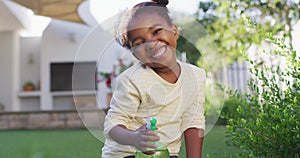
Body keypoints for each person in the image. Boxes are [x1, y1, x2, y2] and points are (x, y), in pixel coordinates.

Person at [101, 0, 206, 157]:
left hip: (165, 154)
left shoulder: (195, 76)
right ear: (134, 54)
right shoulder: (132, 80)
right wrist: (134, 137)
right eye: (139, 43)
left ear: (175, 31)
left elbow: (193, 122)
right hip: (125, 154)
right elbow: (112, 125)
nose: (150, 44)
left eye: (156, 31)